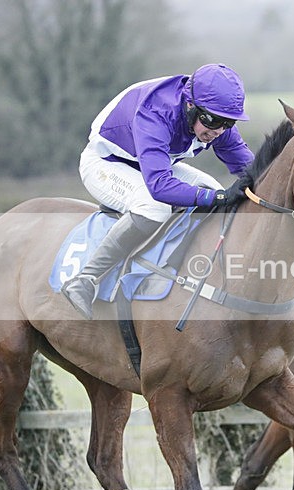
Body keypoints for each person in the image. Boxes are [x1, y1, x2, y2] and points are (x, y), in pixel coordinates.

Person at [62, 63, 255, 320]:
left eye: (228, 122)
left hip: (152, 164)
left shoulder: (215, 119)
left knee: (215, 190)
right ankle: (86, 278)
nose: (218, 130)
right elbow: (160, 186)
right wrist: (217, 198)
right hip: (105, 163)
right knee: (155, 206)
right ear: (190, 106)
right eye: (212, 120)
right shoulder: (157, 112)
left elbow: (251, 170)